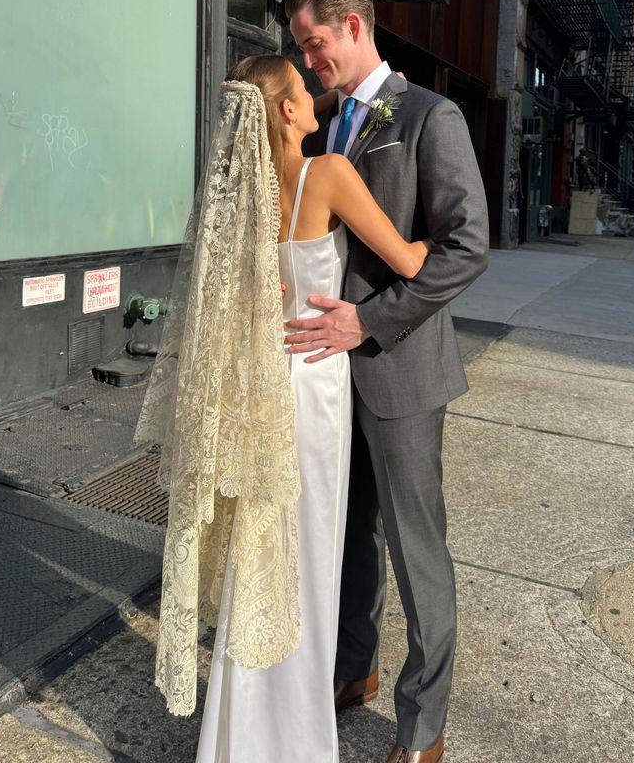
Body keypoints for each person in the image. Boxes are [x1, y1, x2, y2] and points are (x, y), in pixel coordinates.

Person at [136, 56, 432, 763]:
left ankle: (240, 734)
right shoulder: (327, 174)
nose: (318, 100)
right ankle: (295, 741)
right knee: (309, 560)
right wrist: (431, 241)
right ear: (290, 114)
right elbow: (412, 263)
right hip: (315, 386)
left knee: (260, 557)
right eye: (306, 92)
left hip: (260, 388)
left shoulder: (243, 196)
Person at [285, 0, 490, 763]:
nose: (309, 63)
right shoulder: (325, 119)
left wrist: (369, 321)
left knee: (416, 550)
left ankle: (423, 727)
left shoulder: (431, 118)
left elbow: (467, 248)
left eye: (316, 44)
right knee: (349, 539)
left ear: (355, 26)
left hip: (401, 371)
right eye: (302, 50)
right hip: (332, 376)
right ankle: (353, 670)